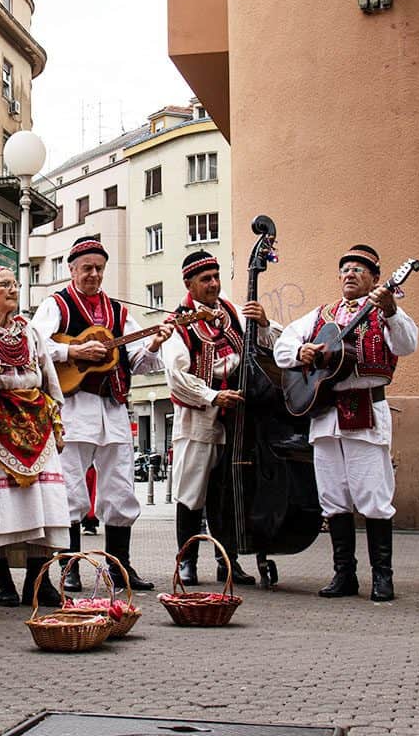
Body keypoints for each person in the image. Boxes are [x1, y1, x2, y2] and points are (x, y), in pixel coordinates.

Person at [274, 245, 418, 602]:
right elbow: (284, 344)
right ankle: (344, 575)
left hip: (366, 413)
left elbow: (407, 344)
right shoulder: (321, 315)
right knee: (333, 496)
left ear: (374, 277)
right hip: (326, 415)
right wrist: (301, 352)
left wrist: (391, 311)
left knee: (373, 495)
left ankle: (382, 577)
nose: (350, 274)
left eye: (358, 269)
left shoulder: (384, 314)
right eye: (345, 270)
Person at [31, 236, 171, 591]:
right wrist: (74, 351)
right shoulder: (57, 305)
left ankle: (118, 566)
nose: (93, 274)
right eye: (87, 268)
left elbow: (137, 360)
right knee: (72, 490)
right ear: (72, 269)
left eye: (99, 268)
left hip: (113, 408)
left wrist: (154, 344)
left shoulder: (120, 312)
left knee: (121, 488)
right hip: (75, 409)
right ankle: (71, 566)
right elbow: (34, 344)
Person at [162, 251, 279, 586]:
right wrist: (213, 396)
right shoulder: (178, 323)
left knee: (227, 493)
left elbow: (257, 348)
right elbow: (176, 376)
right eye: (205, 279)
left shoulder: (228, 311)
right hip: (198, 419)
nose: (213, 284)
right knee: (192, 493)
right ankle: (186, 561)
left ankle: (227, 561)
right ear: (189, 284)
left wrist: (264, 323)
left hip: (237, 417)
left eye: (216, 277)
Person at [0, 266, 68, 607]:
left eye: (15, 284)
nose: (13, 289)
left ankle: (39, 580)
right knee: (3, 503)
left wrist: (58, 417)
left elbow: (44, 375)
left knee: (44, 501)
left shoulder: (27, 330)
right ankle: (0, 578)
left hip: (36, 421)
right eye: (4, 284)